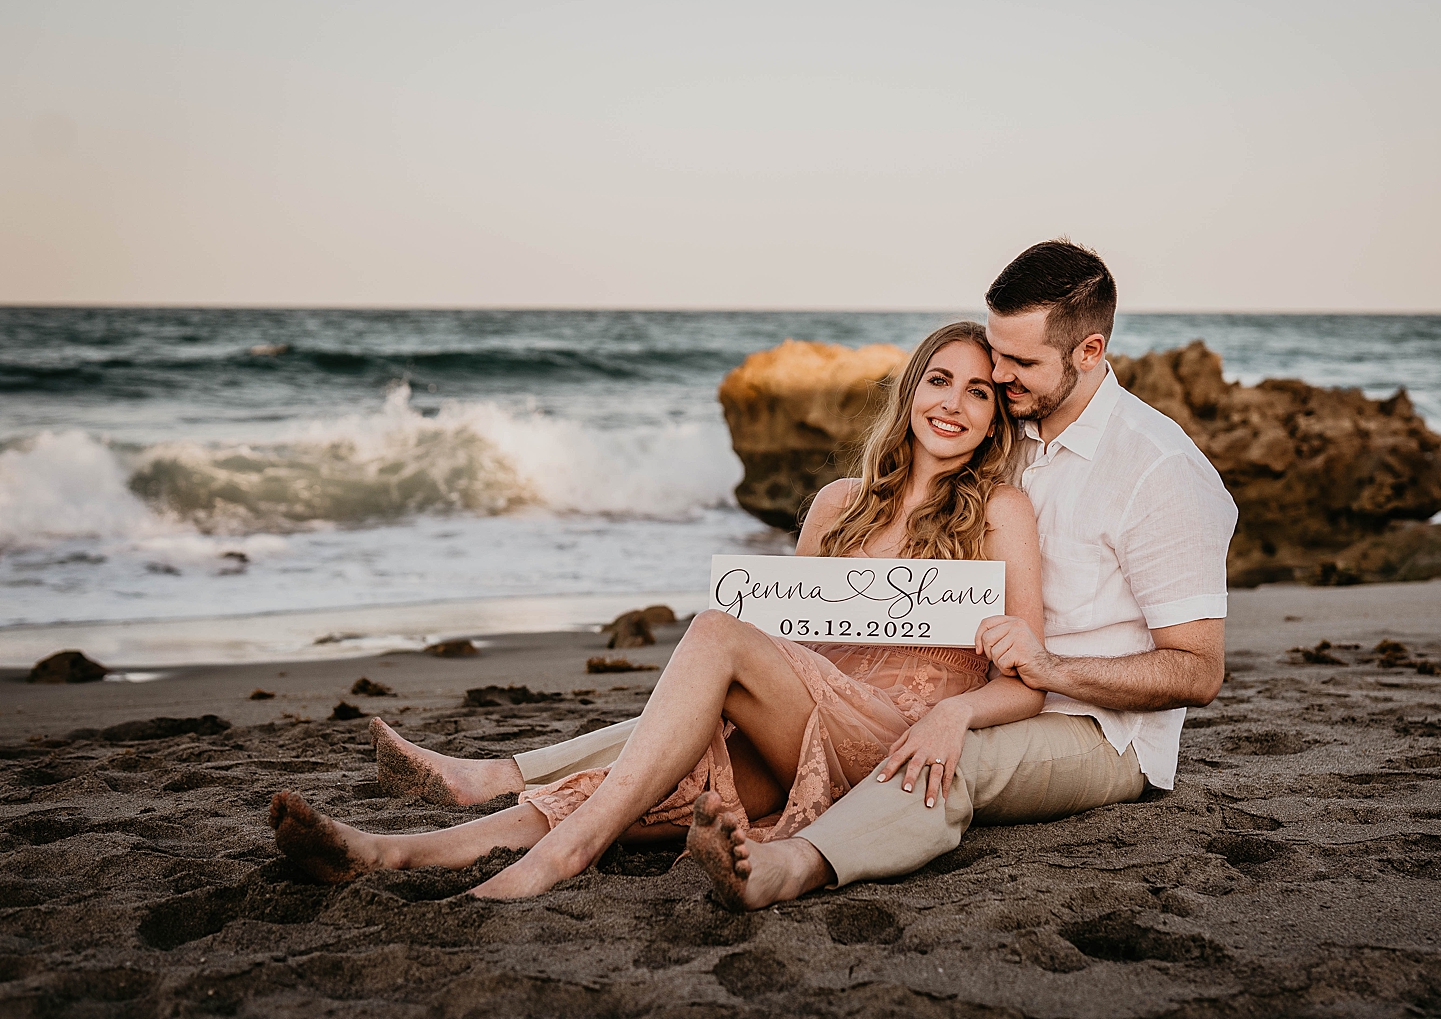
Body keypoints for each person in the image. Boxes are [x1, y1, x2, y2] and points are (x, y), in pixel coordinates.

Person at [269, 321, 1048, 899]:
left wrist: (959, 717)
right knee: (645, 783)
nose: (954, 404)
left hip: (897, 741)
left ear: (994, 419)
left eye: (979, 392)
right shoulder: (836, 507)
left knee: (712, 633)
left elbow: (1029, 684)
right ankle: (397, 854)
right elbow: (792, 640)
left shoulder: (1000, 512)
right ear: (912, 389)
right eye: (940, 380)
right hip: (797, 725)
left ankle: (562, 859)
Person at [685, 239, 1239, 909]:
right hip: (980, 694)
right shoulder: (1006, 432)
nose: (1001, 375)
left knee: (939, 758)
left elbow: (1198, 671)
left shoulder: (1157, 470)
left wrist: (1050, 670)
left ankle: (793, 866)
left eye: (1020, 362)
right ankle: (540, 792)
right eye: (997, 355)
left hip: (1097, 729)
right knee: (721, 711)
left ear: (1089, 352)